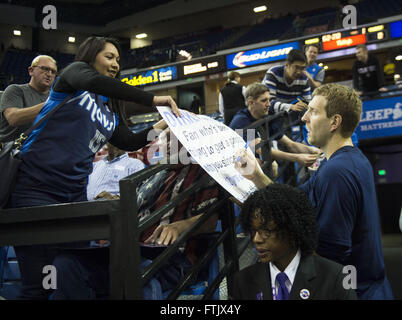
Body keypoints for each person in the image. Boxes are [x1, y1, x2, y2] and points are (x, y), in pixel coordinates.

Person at [6, 36, 180, 300]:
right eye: (109, 57)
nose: (115, 65)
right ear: (90, 56)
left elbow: (129, 141)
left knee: (70, 275)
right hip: (36, 189)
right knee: (39, 286)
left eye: (118, 61)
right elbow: (94, 81)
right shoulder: (73, 76)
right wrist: (154, 98)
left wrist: (161, 126)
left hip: (74, 196)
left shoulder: (108, 111)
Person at [235, 83, 393, 300]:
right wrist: (256, 176)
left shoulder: (336, 172)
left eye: (314, 111)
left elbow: (329, 254)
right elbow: (294, 200)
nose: (304, 118)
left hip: (354, 292)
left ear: (335, 122)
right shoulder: (346, 160)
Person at [231, 183, 357, 300]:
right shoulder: (242, 282)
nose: (256, 240)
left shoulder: (336, 278)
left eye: (267, 231)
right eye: (254, 231)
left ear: (291, 229)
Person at [229, 82, 319, 168]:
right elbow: (261, 150)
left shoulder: (265, 117)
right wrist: (296, 158)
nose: (269, 104)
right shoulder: (242, 121)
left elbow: (290, 144)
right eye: (264, 100)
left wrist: (314, 150)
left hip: (252, 162)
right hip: (237, 168)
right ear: (251, 103)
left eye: (269, 100)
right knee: (261, 163)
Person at [0, 55, 57, 143]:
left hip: (38, 151)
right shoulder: (15, 90)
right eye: (44, 69)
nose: (49, 74)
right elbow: (13, 118)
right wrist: (53, 104)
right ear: (31, 71)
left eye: (53, 72)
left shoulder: (54, 98)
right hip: (9, 152)